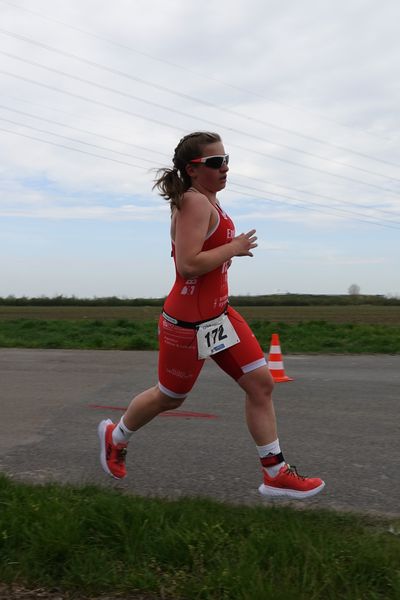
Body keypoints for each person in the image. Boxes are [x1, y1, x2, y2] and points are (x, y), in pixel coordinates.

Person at [98, 131, 325, 499]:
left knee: (261, 384)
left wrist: (230, 250)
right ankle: (116, 436)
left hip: (220, 316)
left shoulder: (208, 200)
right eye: (216, 162)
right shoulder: (194, 202)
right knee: (170, 397)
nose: (225, 168)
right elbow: (188, 265)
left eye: (226, 160)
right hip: (187, 325)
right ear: (192, 169)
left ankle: (275, 473)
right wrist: (234, 247)